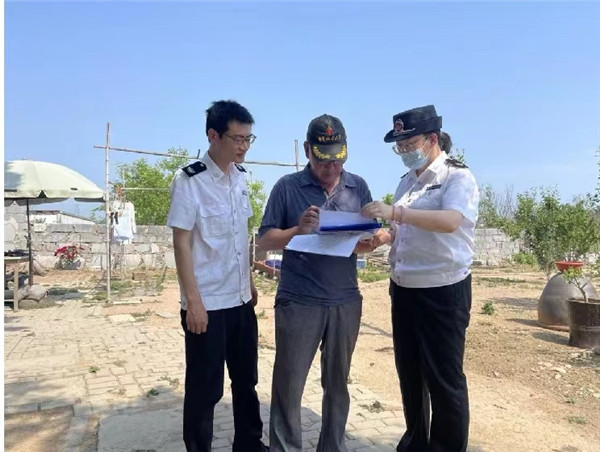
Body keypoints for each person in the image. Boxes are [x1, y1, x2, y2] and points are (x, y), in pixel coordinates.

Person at [257, 114, 386, 452]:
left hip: (345, 299)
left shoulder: (358, 187)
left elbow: (361, 242)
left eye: (337, 159)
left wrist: (370, 242)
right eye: (323, 159)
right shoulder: (287, 187)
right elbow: (265, 241)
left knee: (338, 384)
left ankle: (332, 446)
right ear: (307, 151)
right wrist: (297, 229)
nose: (331, 167)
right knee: (289, 384)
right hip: (299, 301)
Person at [361, 105, 480, 452]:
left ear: (432, 139)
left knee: (444, 378)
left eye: (408, 143)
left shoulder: (456, 177)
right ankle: (414, 442)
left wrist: (396, 212)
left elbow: (451, 221)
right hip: (404, 289)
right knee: (410, 374)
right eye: (399, 146)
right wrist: (382, 237)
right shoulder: (407, 183)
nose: (403, 151)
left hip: (442, 290)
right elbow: (404, 230)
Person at [167, 100, 269, 452]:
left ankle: (249, 445)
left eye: (248, 139)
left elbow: (241, 238)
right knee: (205, 389)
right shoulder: (189, 180)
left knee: (246, 381)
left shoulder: (240, 178)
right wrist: (193, 302)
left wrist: (250, 282)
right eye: (237, 138)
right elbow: (181, 243)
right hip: (207, 305)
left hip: (240, 300)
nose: (244, 146)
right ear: (213, 135)